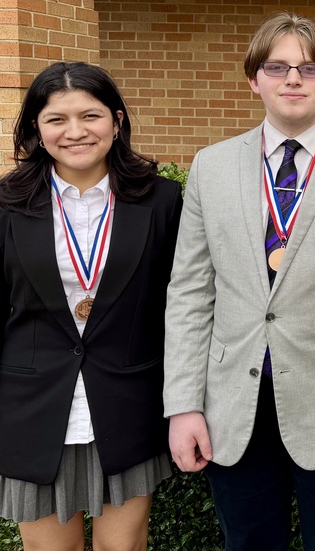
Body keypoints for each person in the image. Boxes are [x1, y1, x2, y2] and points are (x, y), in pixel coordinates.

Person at [162, 12, 315, 551]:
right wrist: (183, 406)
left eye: (311, 68)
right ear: (254, 79)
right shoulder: (211, 166)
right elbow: (189, 293)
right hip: (233, 406)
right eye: (277, 67)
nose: (293, 79)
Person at [0, 62, 183, 551]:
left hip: (127, 402)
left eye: (91, 115)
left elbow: (179, 306)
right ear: (36, 129)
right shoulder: (6, 205)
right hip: (29, 410)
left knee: (123, 548)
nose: (75, 132)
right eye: (56, 119)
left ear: (117, 121)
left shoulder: (161, 200)